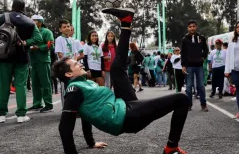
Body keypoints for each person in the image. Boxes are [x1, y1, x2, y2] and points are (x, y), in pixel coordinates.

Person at [54, 8, 189, 154]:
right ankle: (171, 148)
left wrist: (91, 142)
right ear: (68, 74)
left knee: (117, 69)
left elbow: (86, 117)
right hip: (126, 117)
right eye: (75, 64)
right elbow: (65, 127)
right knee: (182, 99)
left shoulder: (83, 84)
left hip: (122, 103)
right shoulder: (73, 90)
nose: (80, 64)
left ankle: (126, 22)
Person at [0, 0, 43, 123]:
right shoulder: (29, 22)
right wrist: (25, 42)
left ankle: (0, 114)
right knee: (20, 85)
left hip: (3, 56)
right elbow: (38, 38)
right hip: (22, 57)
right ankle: (21, 115)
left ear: (12, 6)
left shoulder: (1, 17)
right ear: (24, 8)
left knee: (2, 85)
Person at [27, 15, 54, 112]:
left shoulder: (46, 32)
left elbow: (51, 45)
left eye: (34, 20)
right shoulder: (31, 32)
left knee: (45, 83)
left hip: (43, 61)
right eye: (32, 20)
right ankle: (37, 103)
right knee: (35, 84)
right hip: (33, 61)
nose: (32, 22)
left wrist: (38, 48)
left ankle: (49, 104)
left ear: (40, 22)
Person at [181, 20, 209, 111]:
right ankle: (188, 105)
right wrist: (183, 65)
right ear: (188, 28)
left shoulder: (201, 37)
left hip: (199, 66)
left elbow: (206, 49)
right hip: (188, 66)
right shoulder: (184, 39)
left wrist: (203, 58)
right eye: (190, 26)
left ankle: (203, 104)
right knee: (189, 86)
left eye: (193, 26)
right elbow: (183, 53)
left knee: (201, 86)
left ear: (196, 27)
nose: (192, 28)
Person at [225, 21, 239, 118]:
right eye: (237, 27)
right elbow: (228, 56)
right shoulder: (232, 41)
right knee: (238, 91)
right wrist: (227, 70)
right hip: (235, 70)